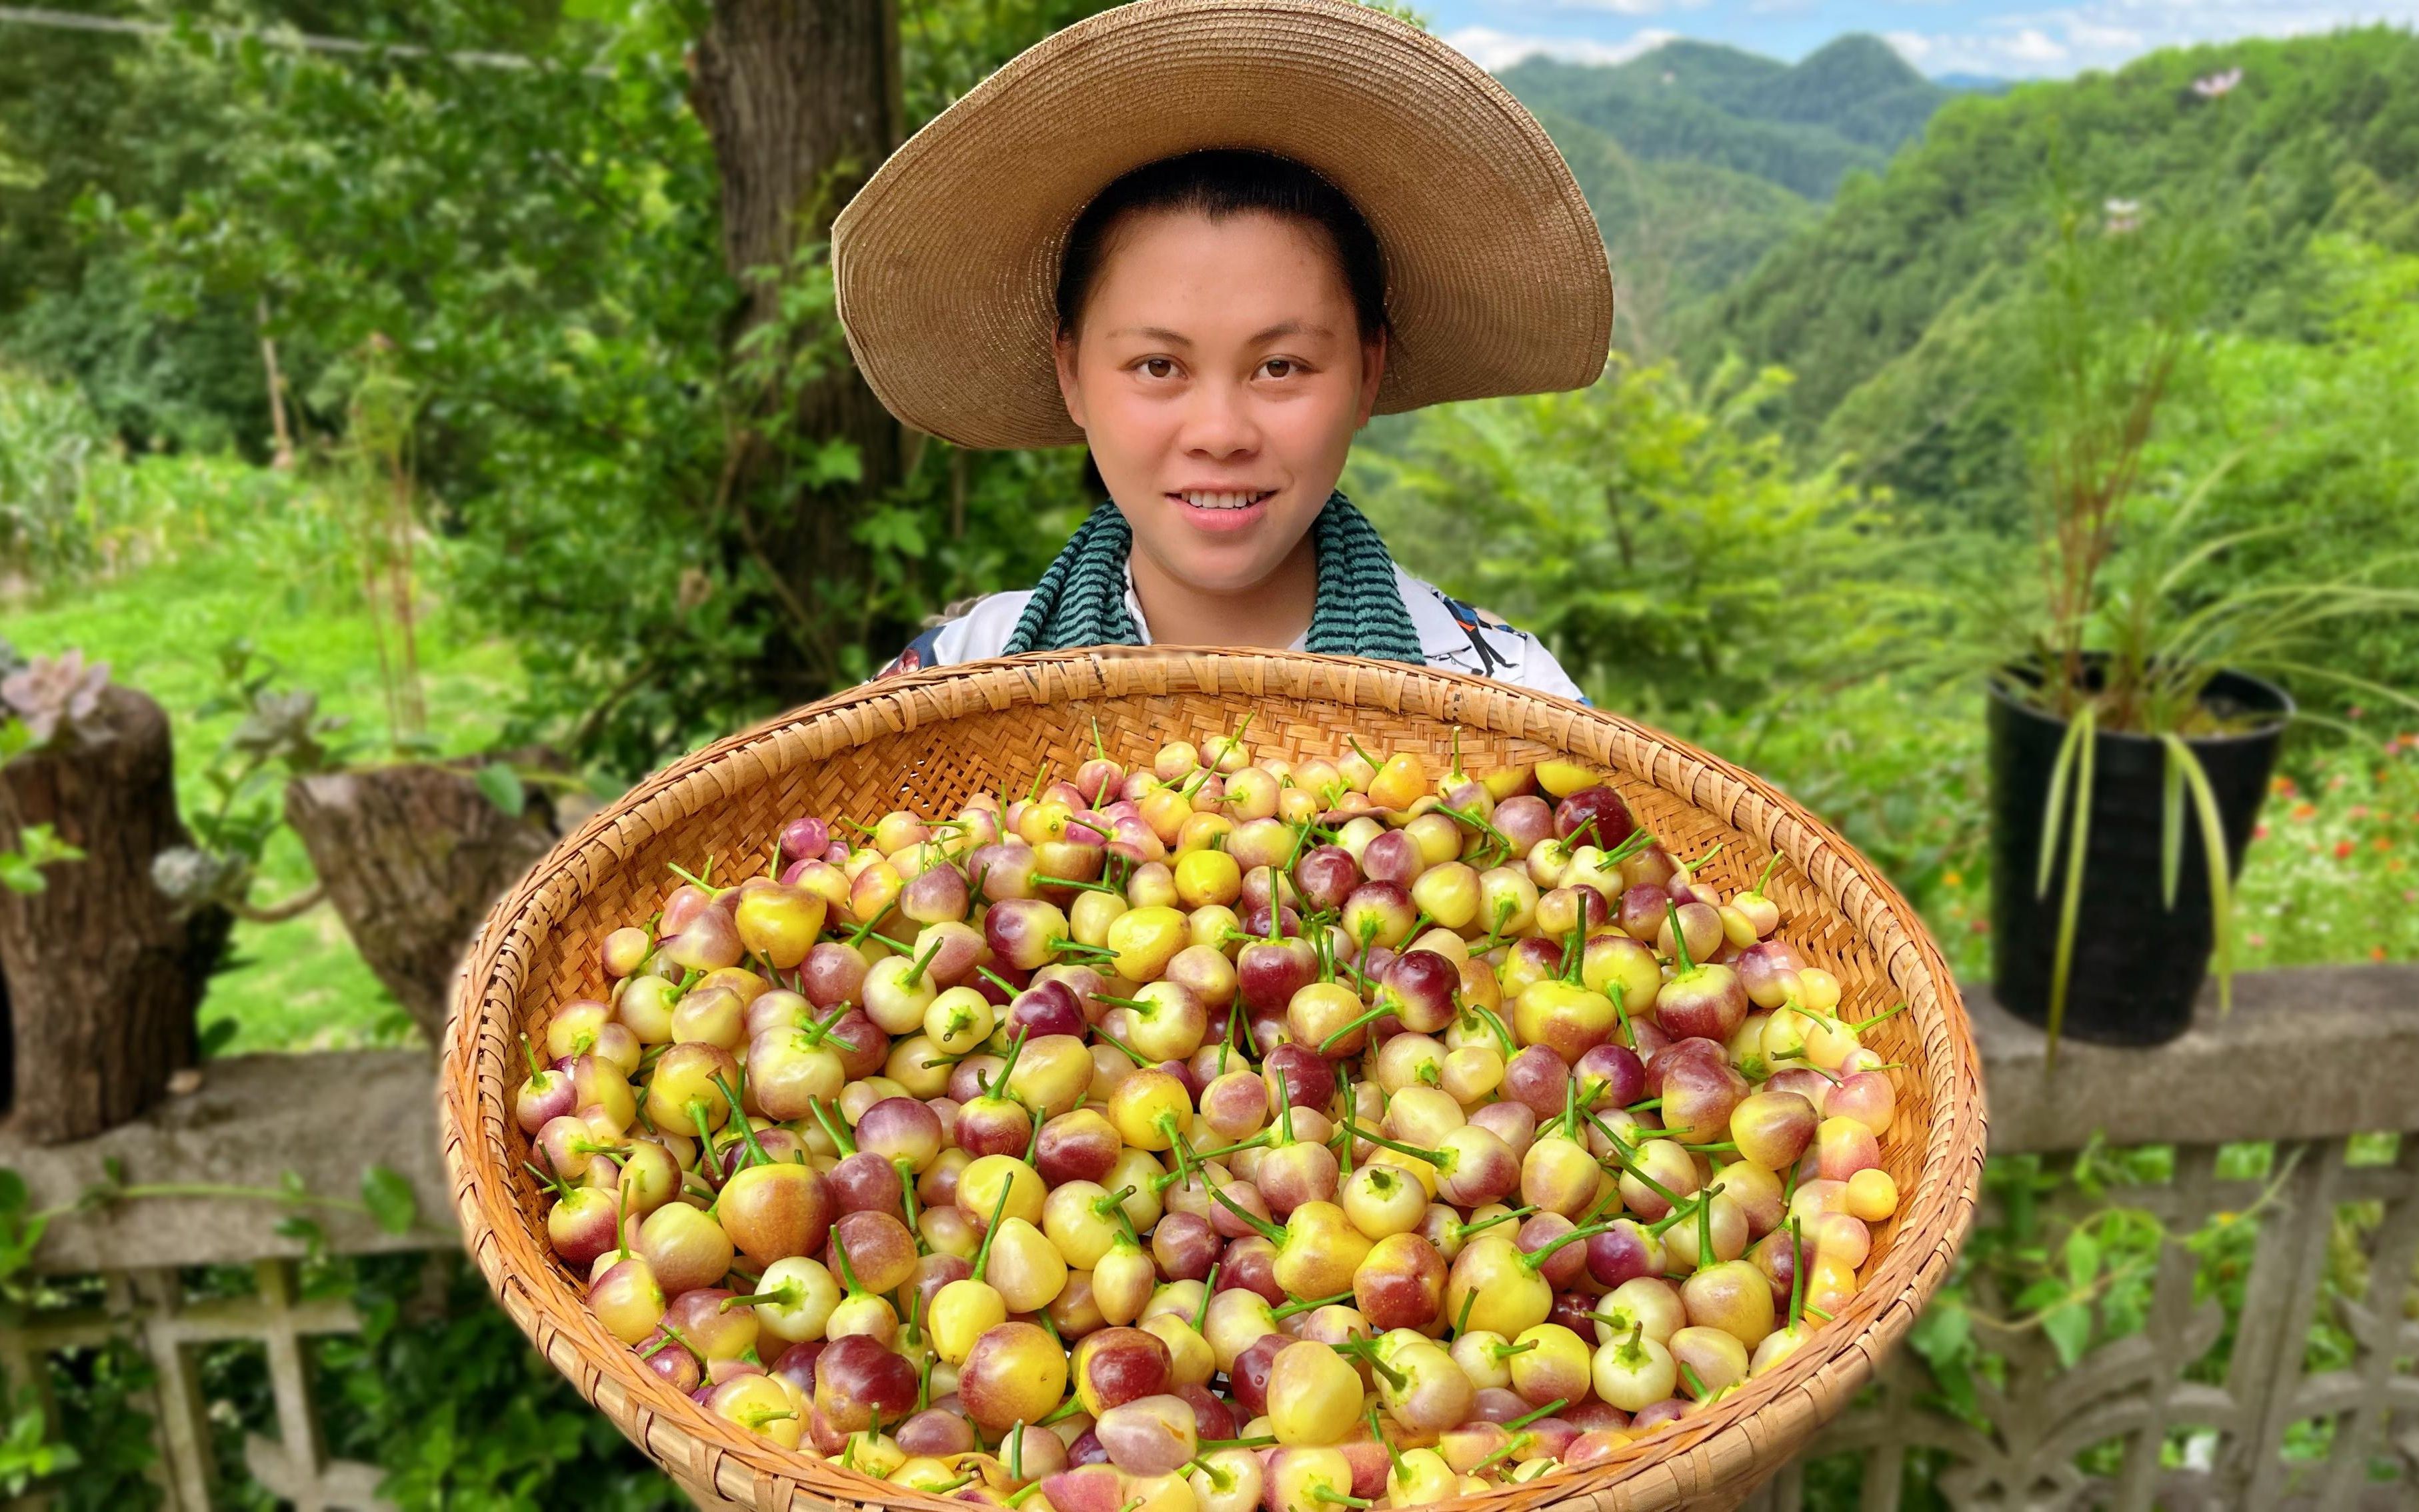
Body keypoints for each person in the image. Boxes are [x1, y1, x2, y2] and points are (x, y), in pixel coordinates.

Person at [831, 0, 1613, 701]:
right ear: (1070, 373)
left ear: (1366, 373)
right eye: (1158, 366)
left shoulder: (1501, 703)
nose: (1219, 432)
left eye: (1280, 367)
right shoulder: (953, 686)